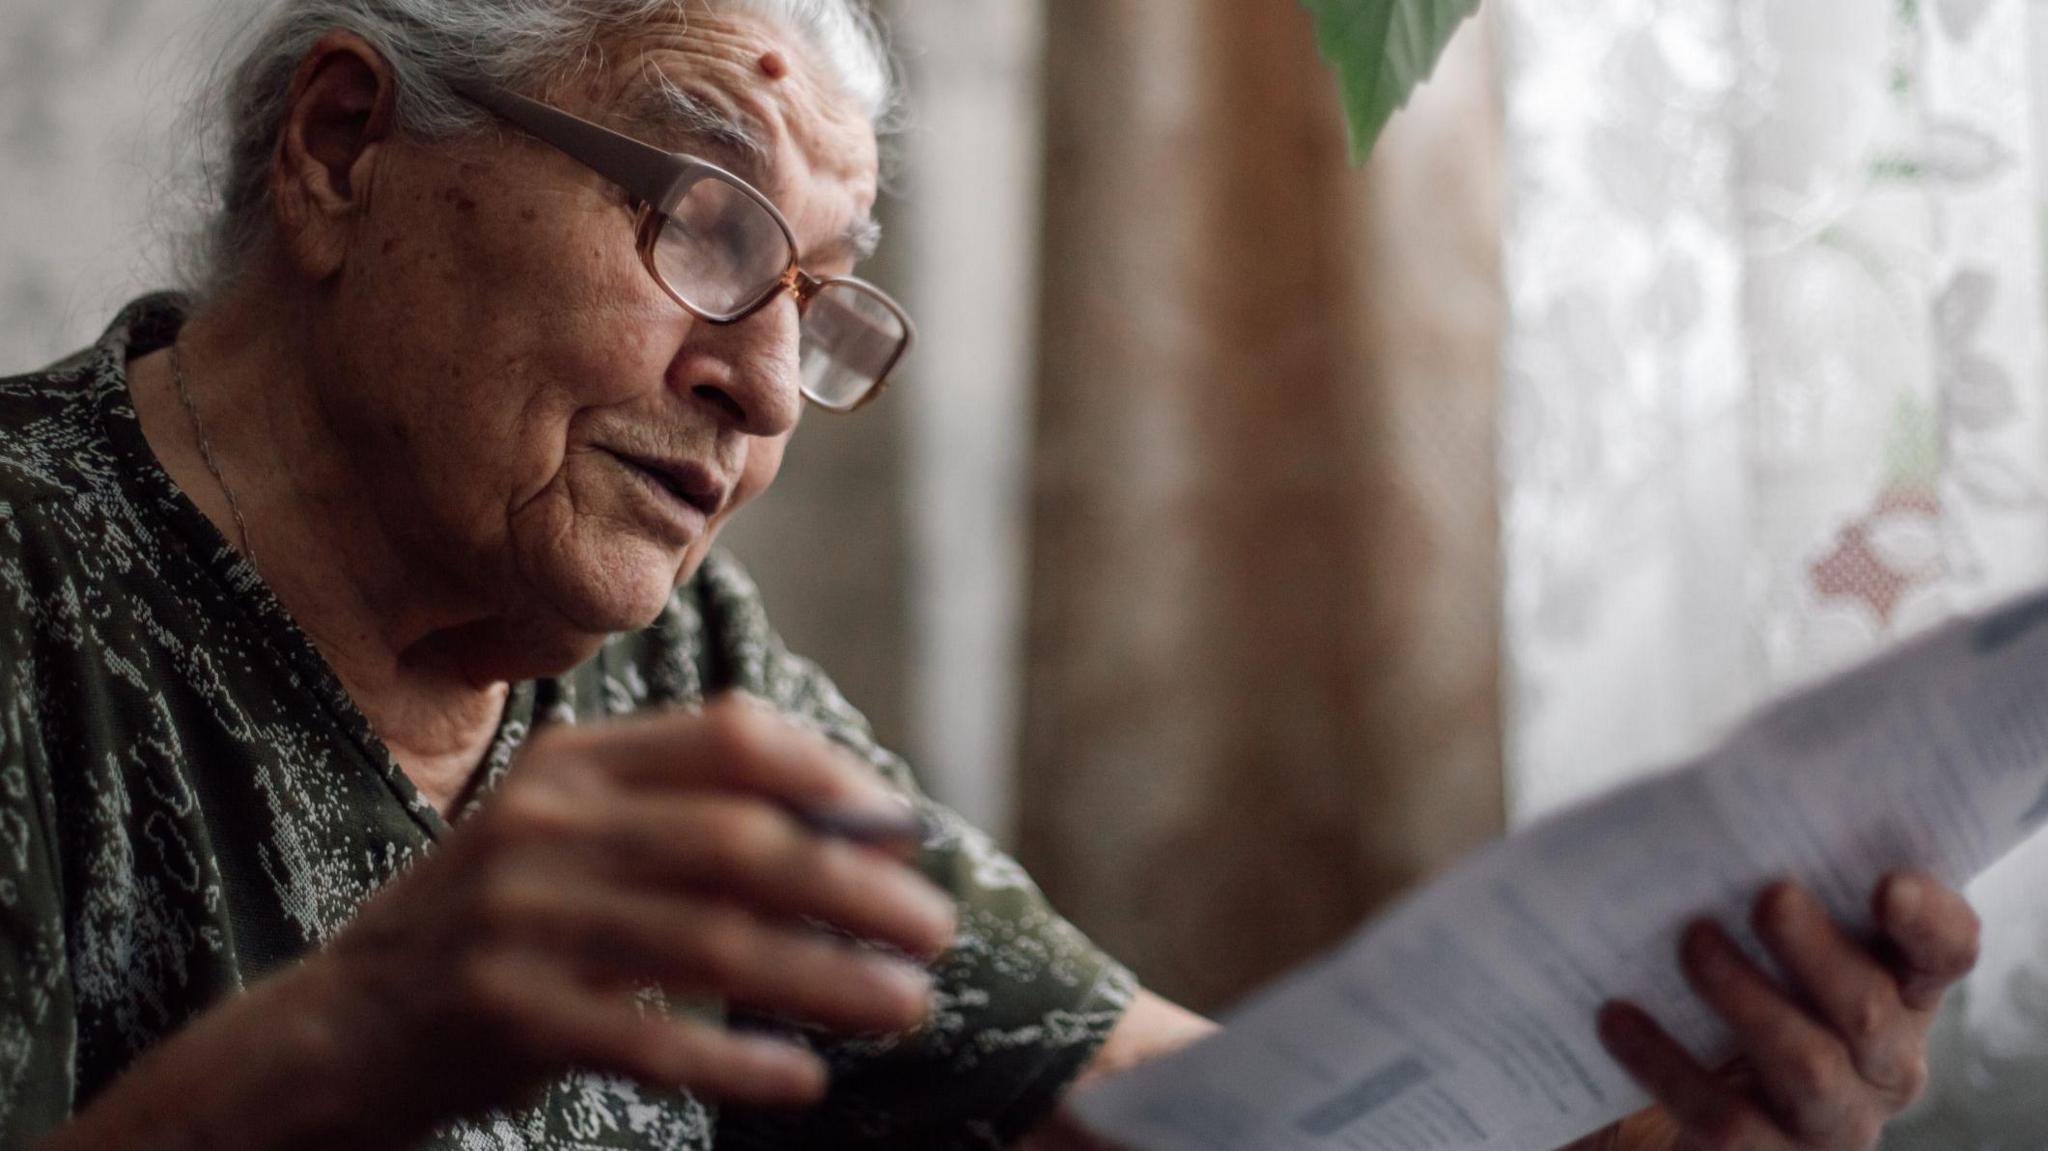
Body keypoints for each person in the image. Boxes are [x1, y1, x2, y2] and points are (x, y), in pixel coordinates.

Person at [0, 1, 1982, 1148]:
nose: (759, 384)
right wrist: (351, 1036)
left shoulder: (668, 661)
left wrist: (1634, 1112)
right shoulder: (29, 597)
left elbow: (1145, 1119)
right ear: (343, 149)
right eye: (704, 225)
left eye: (818, 300)